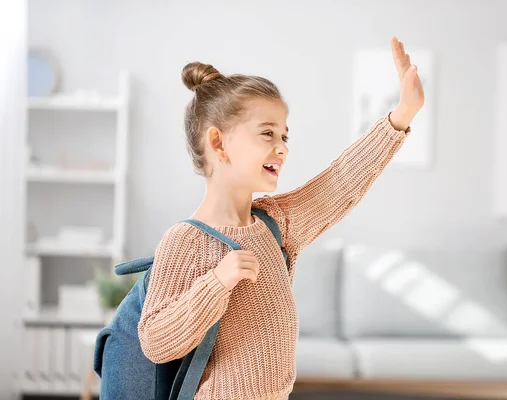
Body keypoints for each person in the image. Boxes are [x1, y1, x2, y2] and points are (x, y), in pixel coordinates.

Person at [138, 37, 424, 400]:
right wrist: (217, 282)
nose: (283, 147)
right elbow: (155, 341)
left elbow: (339, 183)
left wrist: (402, 116)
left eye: (284, 136)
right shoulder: (185, 241)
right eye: (267, 133)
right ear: (219, 143)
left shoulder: (276, 224)